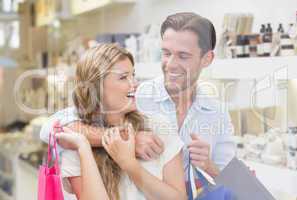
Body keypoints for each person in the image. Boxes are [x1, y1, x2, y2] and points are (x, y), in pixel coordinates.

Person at [41, 12, 235, 188]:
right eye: (166, 53)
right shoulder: (133, 97)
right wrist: (126, 139)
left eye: (183, 56)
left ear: (207, 59)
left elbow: (233, 184)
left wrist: (208, 165)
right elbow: (52, 128)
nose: (171, 64)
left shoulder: (217, 112)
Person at [45, 43, 186, 200]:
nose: (135, 83)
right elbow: (50, 127)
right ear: (96, 88)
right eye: (123, 77)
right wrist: (84, 146)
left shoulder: (158, 127)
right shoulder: (76, 144)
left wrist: (129, 164)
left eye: (133, 75)